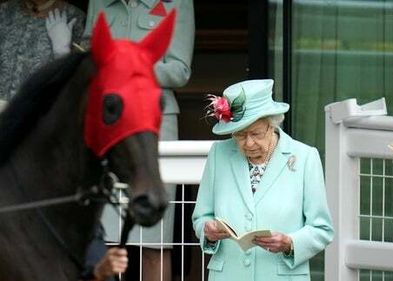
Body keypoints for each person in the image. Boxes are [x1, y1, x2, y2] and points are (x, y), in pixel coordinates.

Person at [83, 1, 195, 281]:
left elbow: (180, 70)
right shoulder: (100, 2)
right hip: (108, 118)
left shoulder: (177, 3)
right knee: (102, 242)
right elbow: (89, 53)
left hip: (154, 122)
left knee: (154, 243)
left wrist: (128, 68)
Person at [192, 79, 334, 281]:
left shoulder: (305, 157)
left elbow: (322, 229)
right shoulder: (219, 154)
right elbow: (201, 217)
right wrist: (208, 231)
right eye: (240, 135)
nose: (248, 143)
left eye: (256, 134)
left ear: (273, 123)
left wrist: (290, 243)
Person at [0, 0, 86, 100]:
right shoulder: (4, 10)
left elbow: (81, 88)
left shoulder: (76, 19)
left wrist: (62, 53)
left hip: (38, 112)